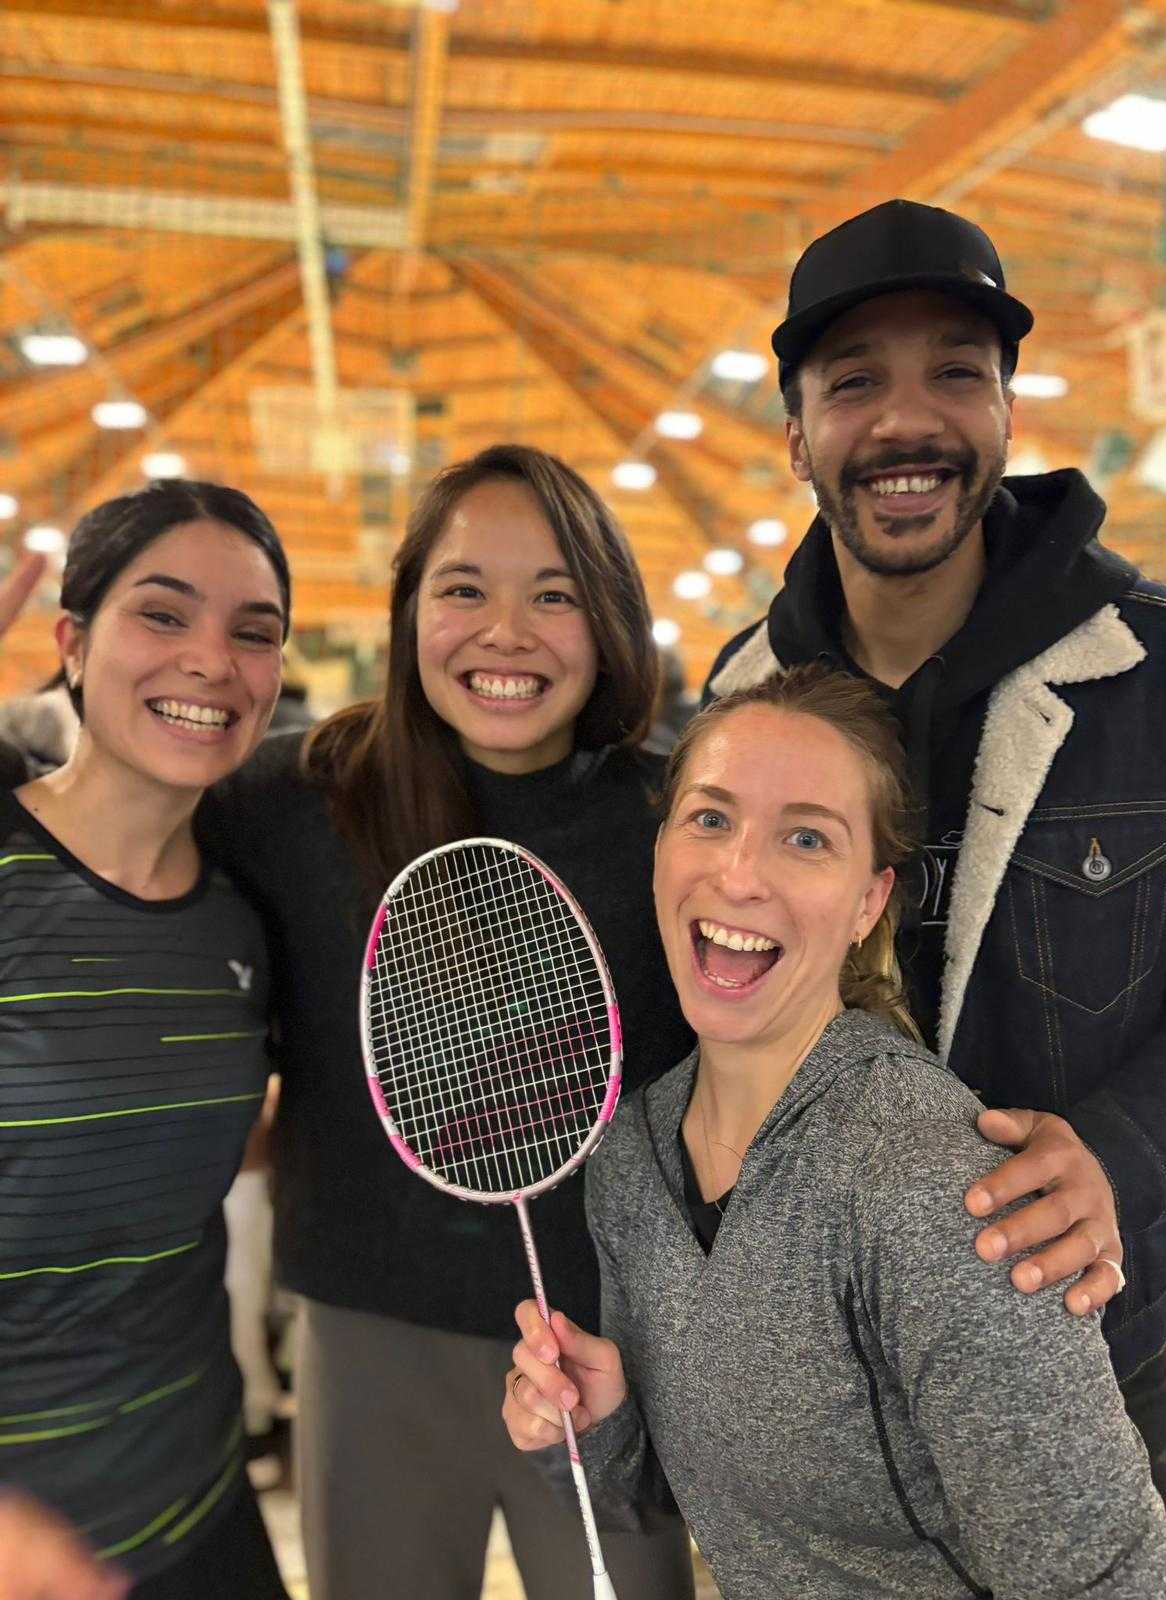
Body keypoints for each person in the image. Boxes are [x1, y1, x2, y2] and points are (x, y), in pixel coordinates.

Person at [702, 198, 1166, 1568]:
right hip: (831, 1397)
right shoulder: (740, 700)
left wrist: (1122, 1153)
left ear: (1007, 412)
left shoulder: (1163, 676)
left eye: (955, 373)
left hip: (1094, 1362)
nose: (906, 422)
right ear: (796, 432)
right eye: (854, 382)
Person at [503, 665, 1166, 1598]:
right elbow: (676, 1502)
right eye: (710, 818)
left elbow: (1116, 1581)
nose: (740, 874)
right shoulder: (630, 1160)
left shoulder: (933, 1187)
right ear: (661, 847)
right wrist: (597, 1428)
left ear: (872, 899)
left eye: (805, 838)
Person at [197, 444, 696, 1599]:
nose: (504, 634)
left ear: (611, 617)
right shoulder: (292, 799)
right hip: (367, 1331)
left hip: (612, 1349)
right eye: (463, 589)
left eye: (555, 594)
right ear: (408, 608)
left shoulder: (678, 818)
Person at [0, 481, 293, 1599]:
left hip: (199, 1507)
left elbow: (191, 1132)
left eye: (252, 631)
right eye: (162, 614)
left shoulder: (239, 921)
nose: (212, 660)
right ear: (71, 642)